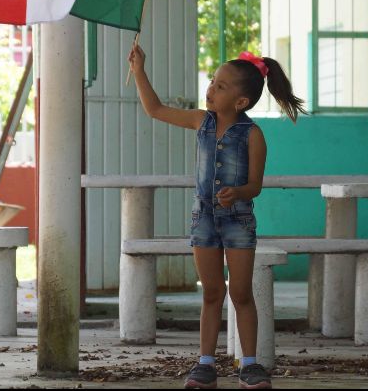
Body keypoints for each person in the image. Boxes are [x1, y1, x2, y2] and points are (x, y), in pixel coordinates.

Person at [127, 42, 305, 390]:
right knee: (211, 292)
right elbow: (155, 109)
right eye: (212, 81)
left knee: (240, 294)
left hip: (238, 221)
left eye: (220, 86)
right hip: (204, 219)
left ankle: (250, 365)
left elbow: (255, 185)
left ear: (241, 102)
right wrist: (139, 70)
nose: (210, 89)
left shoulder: (253, 135)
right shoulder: (200, 121)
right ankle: (205, 364)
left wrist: (237, 192)